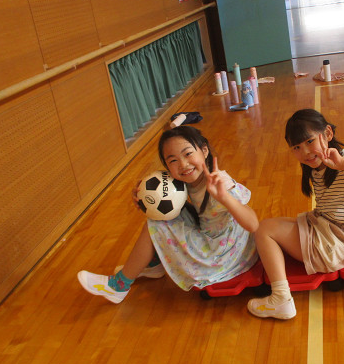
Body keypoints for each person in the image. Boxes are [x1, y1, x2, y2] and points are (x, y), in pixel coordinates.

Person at [78, 125, 259, 303]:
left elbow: (253, 224)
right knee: (161, 214)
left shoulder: (220, 183)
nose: (183, 164)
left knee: (156, 224)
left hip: (224, 253)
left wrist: (225, 197)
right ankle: (154, 263)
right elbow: (163, 195)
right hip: (218, 239)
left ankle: (119, 286)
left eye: (188, 154)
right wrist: (146, 196)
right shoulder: (186, 180)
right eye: (173, 160)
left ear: (204, 151)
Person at [247, 109, 344, 319]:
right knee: (268, 226)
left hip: (338, 243)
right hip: (327, 228)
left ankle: (281, 299)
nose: (305, 152)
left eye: (309, 141)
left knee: (264, 231)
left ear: (328, 133)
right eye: (297, 147)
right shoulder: (318, 166)